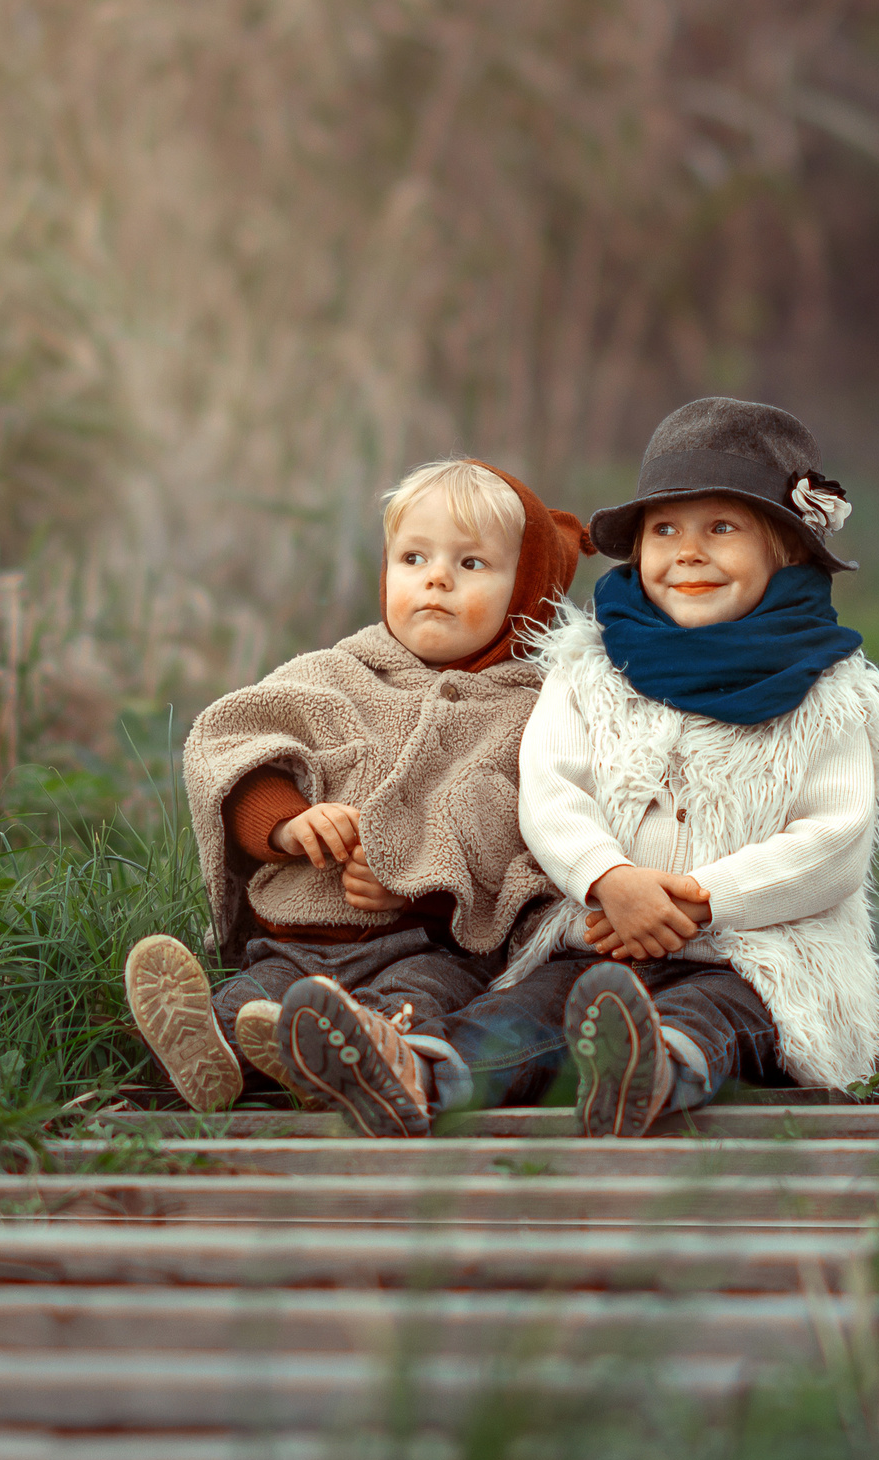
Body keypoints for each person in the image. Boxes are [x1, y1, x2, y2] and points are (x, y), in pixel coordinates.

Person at [282, 398, 879, 1137]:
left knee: (716, 1013)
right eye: (665, 529)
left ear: (786, 548)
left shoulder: (829, 689)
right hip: (601, 927)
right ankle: (421, 1073)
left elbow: (834, 839)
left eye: (721, 527)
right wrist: (608, 879)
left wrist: (700, 898)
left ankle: (654, 1069)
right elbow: (552, 790)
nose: (688, 551)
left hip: (755, 953)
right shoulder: (590, 666)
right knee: (527, 1010)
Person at [124, 458, 592, 1120]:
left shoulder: (531, 712)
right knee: (255, 997)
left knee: (411, 1003)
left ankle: (345, 1056)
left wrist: (424, 881)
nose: (436, 577)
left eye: (472, 565)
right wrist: (286, 825)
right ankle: (214, 1053)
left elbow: (526, 833)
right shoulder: (334, 674)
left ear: (529, 590)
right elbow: (231, 742)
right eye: (413, 557)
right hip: (294, 940)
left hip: (428, 948)